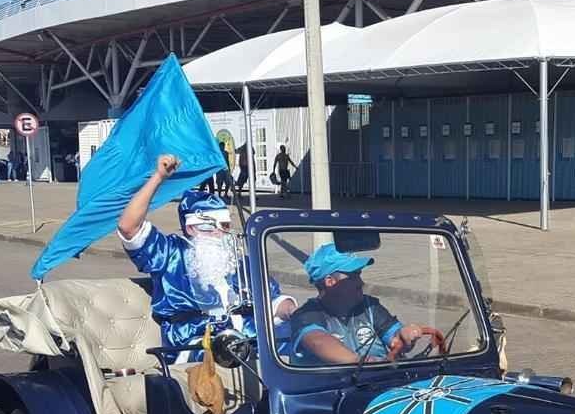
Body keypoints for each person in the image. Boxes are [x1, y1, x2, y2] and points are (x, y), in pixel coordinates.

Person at [117, 154, 297, 360]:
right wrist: (158, 177)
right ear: (191, 227)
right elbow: (128, 227)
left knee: (303, 349)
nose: (220, 233)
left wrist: (290, 310)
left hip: (248, 340)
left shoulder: (237, 260)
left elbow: (272, 300)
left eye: (225, 226)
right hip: (196, 344)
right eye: (210, 226)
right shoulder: (170, 253)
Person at [289, 243, 426, 366]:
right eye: (353, 277)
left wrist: (404, 336)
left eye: (359, 275)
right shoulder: (306, 315)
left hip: (381, 384)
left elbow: (395, 339)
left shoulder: (369, 306)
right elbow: (317, 341)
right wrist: (361, 363)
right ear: (330, 281)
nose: (361, 283)